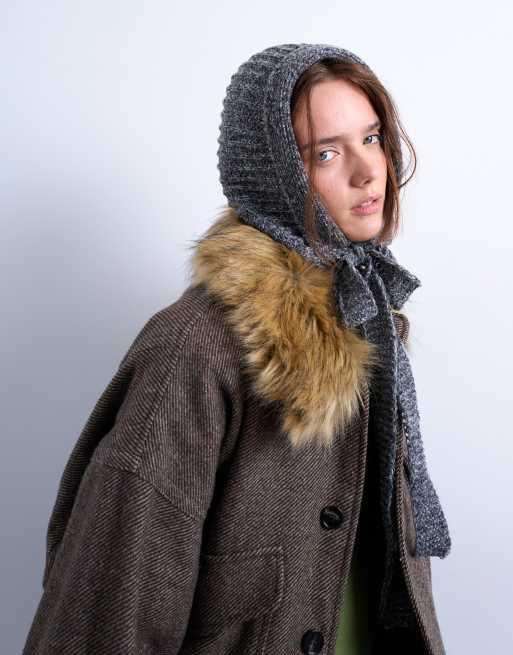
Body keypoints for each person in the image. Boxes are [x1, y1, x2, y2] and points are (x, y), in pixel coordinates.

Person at [22, 43, 451, 655]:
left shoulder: (370, 319)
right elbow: (112, 601)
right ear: (272, 173)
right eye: (326, 153)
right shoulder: (195, 347)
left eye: (373, 138)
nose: (367, 172)